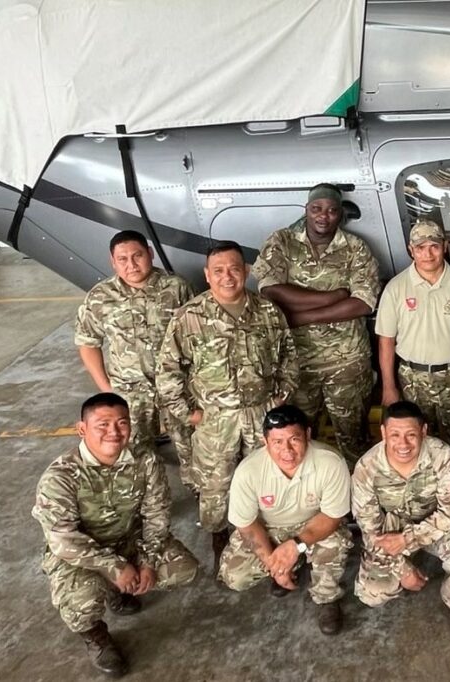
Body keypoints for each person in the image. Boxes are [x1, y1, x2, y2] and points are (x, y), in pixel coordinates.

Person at [32, 393, 198, 677]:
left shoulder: (145, 461)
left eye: (122, 423)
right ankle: (96, 636)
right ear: (82, 429)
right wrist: (115, 567)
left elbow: (156, 514)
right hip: (81, 553)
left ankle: (117, 591)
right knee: (80, 601)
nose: (114, 432)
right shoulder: (60, 476)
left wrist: (146, 561)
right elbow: (63, 539)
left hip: (129, 540)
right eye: (103, 424)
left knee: (183, 569)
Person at [156, 241, 298, 571]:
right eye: (218, 271)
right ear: (207, 275)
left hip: (260, 415)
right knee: (216, 486)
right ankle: (219, 538)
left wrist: (280, 398)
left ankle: (264, 544)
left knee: (263, 481)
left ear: (246, 272)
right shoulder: (189, 317)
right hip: (215, 419)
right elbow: (167, 371)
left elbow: (289, 357)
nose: (227, 277)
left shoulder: (266, 312)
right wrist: (189, 413)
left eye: (234, 269)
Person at [252, 183, 381, 467]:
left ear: (340, 215)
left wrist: (300, 316)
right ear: (306, 210)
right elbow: (271, 290)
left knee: (354, 440)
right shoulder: (282, 242)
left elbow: (363, 303)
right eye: (317, 209)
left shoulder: (355, 248)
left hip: (346, 363)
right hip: (296, 365)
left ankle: (357, 502)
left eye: (332, 211)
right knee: (298, 441)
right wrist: (334, 296)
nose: (324, 216)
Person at [74, 230, 196, 491]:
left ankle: (200, 496)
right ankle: (146, 502)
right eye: (123, 259)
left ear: (150, 254)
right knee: (135, 453)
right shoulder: (100, 296)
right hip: (131, 391)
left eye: (137, 256)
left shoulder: (176, 287)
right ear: (113, 262)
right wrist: (106, 388)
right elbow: (87, 342)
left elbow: (194, 333)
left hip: (175, 386)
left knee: (191, 446)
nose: (131, 265)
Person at [218, 405, 353, 635]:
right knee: (234, 575)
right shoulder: (249, 471)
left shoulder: (331, 462)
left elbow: (332, 516)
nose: (287, 450)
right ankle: (290, 567)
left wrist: (297, 545)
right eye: (277, 442)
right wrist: (274, 563)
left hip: (313, 526)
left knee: (336, 542)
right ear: (265, 442)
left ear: (308, 435)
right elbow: (247, 525)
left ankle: (326, 597)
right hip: (269, 529)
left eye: (294, 439)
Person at [352, 401, 450, 634]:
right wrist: (402, 569)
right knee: (373, 594)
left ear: (423, 431)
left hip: (437, 523)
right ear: (383, 433)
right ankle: (411, 564)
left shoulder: (442, 456)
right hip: (391, 531)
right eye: (395, 435)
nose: (403, 444)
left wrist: (409, 540)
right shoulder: (366, 467)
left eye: (411, 434)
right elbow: (370, 528)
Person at [376, 219, 450, 463]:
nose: (428, 254)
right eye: (420, 247)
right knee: (414, 443)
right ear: (410, 250)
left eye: (434, 246)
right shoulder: (396, 288)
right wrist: (389, 386)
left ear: (445, 246)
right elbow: (386, 342)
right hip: (410, 378)